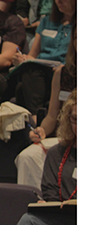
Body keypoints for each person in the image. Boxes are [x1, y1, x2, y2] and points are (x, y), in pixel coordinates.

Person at [15, 24, 76, 189]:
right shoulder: (62, 73)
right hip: (63, 140)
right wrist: (41, 130)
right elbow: (51, 116)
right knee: (28, 156)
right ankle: (36, 209)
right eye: (77, 38)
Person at [11, 0, 75, 119]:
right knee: (27, 72)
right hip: (42, 71)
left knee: (24, 86)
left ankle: (36, 119)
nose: (59, 2)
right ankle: (37, 117)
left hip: (66, 72)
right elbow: (33, 55)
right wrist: (22, 59)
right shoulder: (46, 21)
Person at [14, 89, 77, 225]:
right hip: (65, 218)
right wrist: (49, 206)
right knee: (28, 221)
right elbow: (50, 191)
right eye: (75, 119)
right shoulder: (57, 153)